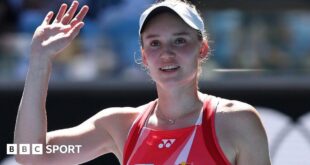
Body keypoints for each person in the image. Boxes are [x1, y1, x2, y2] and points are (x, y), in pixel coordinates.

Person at [14, 0, 271, 164]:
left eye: (179, 40)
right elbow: (30, 154)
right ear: (145, 57)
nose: (167, 53)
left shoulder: (238, 121)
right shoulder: (119, 125)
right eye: (155, 43)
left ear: (202, 49)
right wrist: (40, 60)